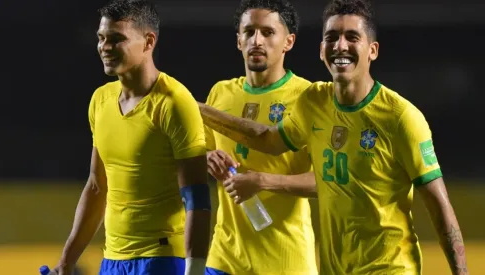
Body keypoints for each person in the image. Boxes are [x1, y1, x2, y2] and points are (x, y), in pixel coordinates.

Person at [198, 0, 469, 274]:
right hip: (327, 267)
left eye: (352, 37)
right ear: (321, 50)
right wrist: (195, 109)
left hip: (386, 267)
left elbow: (439, 206)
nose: (340, 46)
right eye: (331, 38)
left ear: (372, 50)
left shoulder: (401, 118)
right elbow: (267, 139)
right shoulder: (315, 103)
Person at [53, 1, 211, 274]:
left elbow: (196, 198)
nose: (105, 47)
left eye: (117, 39)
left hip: (161, 259)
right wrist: (66, 263)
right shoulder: (100, 100)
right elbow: (96, 186)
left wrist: (194, 269)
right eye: (101, 38)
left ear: (149, 41)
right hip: (112, 261)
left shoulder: (174, 103)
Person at [203, 1, 318, 275]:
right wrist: (206, 158)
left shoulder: (309, 97)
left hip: (286, 262)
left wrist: (263, 181)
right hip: (224, 259)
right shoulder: (220, 94)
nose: (257, 40)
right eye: (249, 32)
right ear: (238, 41)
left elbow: (327, 181)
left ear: (288, 42)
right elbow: (197, 155)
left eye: (268, 33)